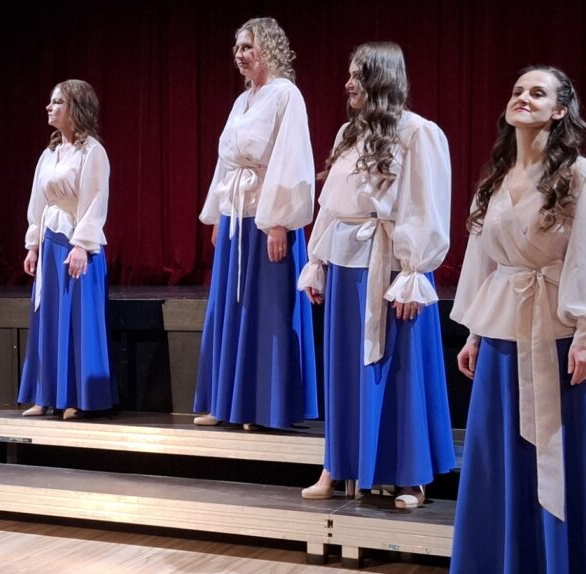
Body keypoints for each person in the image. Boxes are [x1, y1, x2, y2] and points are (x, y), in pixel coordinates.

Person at [448, 66, 586, 574]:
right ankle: (490, 571)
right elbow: (484, 263)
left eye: (537, 92)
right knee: (494, 459)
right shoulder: (496, 180)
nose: (523, 98)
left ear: (559, 110)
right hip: (503, 331)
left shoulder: (584, 176)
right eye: (517, 91)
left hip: (556, 333)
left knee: (552, 455)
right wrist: (474, 331)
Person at [298, 42, 455, 508]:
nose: (348, 84)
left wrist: (413, 272)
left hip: (391, 268)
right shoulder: (348, 134)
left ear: (382, 79)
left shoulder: (417, 133)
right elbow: (332, 206)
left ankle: (409, 477)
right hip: (347, 265)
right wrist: (316, 263)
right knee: (346, 370)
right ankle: (338, 464)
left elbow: (425, 205)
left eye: (358, 75)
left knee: (398, 369)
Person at [193, 17, 318, 431]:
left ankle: (266, 407)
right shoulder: (242, 100)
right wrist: (218, 213)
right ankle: (227, 402)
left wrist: (278, 222)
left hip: (267, 219)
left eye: (247, 46)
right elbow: (226, 162)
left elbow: (291, 159)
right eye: (237, 48)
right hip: (237, 215)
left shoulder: (286, 95)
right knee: (229, 309)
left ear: (268, 48)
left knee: (267, 312)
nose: (239, 54)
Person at [18, 79, 113, 420]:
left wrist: (82, 245)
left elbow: (95, 200)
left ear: (75, 108)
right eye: (51, 101)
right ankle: (45, 394)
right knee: (48, 319)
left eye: (58, 102)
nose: (50, 107)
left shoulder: (92, 151)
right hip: (50, 243)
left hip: (76, 245)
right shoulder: (49, 154)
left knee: (76, 321)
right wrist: (33, 245)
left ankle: (76, 395)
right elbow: (38, 202)